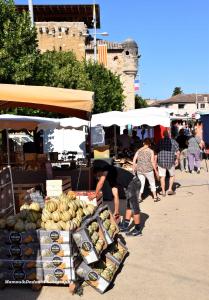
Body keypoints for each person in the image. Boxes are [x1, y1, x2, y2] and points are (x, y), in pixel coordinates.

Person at [133, 138, 160, 202]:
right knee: (152, 183)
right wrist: (156, 171)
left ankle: (139, 197)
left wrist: (134, 167)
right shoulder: (151, 151)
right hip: (148, 170)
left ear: (143, 143)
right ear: (150, 144)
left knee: (141, 183)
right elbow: (153, 162)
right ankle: (155, 197)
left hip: (140, 170)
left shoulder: (138, 151)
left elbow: (134, 160)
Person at [156, 130, 180, 196]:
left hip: (161, 161)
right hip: (171, 161)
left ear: (163, 135)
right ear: (169, 134)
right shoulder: (173, 141)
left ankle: (163, 191)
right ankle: (169, 189)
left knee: (162, 177)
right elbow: (178, 152)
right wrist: (177, 160)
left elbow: (156, 151)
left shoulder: (160, 141)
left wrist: (156, 161)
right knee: (172, 175)